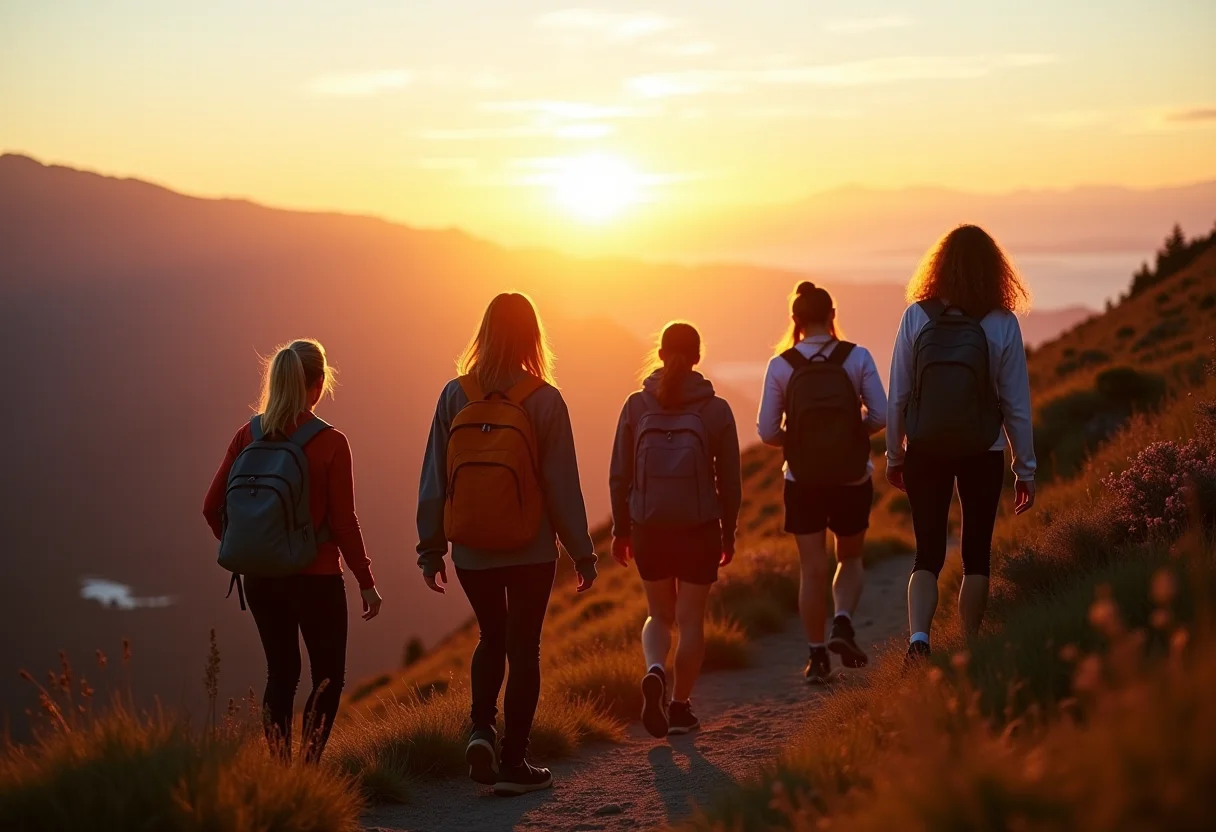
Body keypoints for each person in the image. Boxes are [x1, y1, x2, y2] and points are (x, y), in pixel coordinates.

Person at [417, 292, 598, 797]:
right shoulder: (544, 399)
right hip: (530, 549)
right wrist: (582, 551)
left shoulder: (455, 395)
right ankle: (514, 762)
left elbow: (434, 477)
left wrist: (430, 548)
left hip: (471, 548)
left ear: (485, 333)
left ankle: (480, 730)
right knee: (525, 648)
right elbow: (562, 485)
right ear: (532, 337)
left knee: (490, 638)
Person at [203, 339, 382, 763]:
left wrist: (253, 549)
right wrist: (366, 581)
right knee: (327, 678)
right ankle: (309, 768)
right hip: (316, 578)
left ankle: (283, 773)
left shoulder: (248, 434)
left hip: (261, 578)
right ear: (318, 384)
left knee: (281, 674)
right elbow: (342, 523)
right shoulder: (331, 442)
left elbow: (211, 508)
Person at [886, 224, 1036, 665]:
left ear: (941, 265)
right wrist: (1024, 469)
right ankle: (970, 643)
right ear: (996, 272)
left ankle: (919, 640)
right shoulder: (1002, 323)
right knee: (976, 554)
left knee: (927, 552)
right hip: (982, 449)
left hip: (925, 449)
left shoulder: (917, 316)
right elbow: (1016, 404)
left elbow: (898, 395)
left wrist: (896, 455)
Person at [610, 322, 742, 738]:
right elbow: (732, 482)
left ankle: (654, 670)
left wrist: (621, 529)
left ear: (661, 354)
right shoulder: (716, 410)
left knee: (658, 615)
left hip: (649, 526)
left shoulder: (636, 406)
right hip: (699, 527)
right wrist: (729, 533)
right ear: (698, 356)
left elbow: (619, 476)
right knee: (691, 621)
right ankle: (680, 708)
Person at [758, 282, 887, 684]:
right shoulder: (857, 357)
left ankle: (816, 658)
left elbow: (766, 430)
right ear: (832, 315)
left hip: (802, 479)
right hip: (851, 475)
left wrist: (794, 440)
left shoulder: (781, 365)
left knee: (812, 568)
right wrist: (853, 436)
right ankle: (843, 624)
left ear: (795, 321)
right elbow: (881, 415)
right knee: (849, 557)